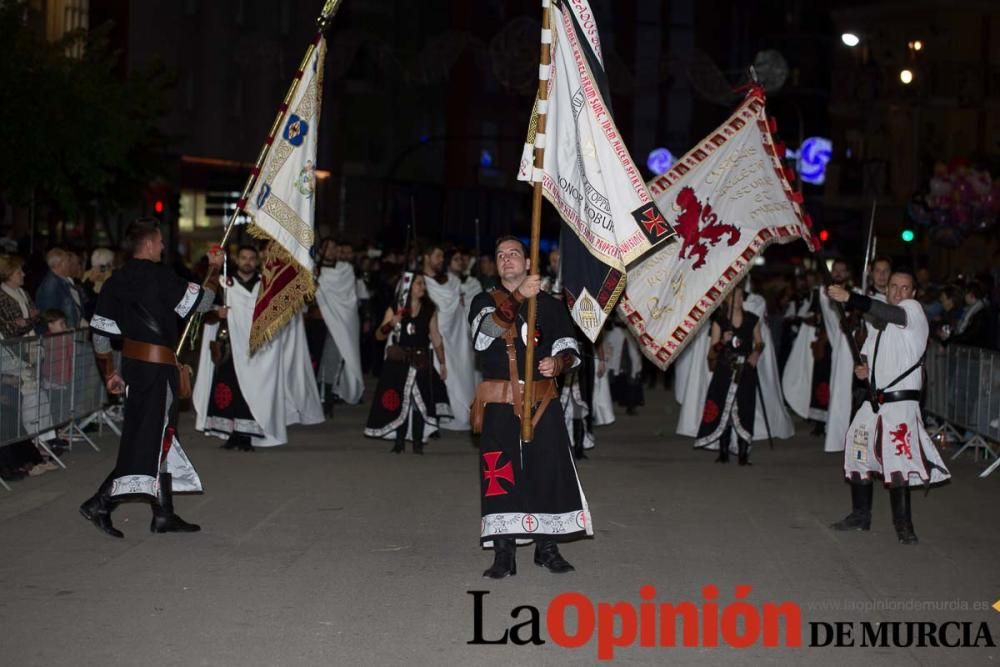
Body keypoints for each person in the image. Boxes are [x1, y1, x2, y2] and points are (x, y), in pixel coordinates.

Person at [81, 218, 222, 538]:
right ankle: (99, 503)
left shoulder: (115, 281)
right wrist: (214, 269)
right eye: (159, 242)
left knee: (160, 435)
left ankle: (163, 514)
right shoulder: (160, 276)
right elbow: (203, 303)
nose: (161, 247)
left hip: (133, 367)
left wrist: (109, 374)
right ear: (148, 244)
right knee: (150, 438)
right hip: (157, 371)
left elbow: (100, 334)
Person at [469, 236, 592, 578]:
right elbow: (484, 335)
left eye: (514, 254)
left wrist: (559, 363)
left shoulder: (550, 306)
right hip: (500, 404)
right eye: (500, 255)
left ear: (527, 263)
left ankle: (546, 548)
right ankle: (503, 553)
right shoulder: (483, 301)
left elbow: (571, 349)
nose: (507, 259)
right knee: (501, 475)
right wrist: (520, 295)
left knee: (546, 471)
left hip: (542, 403)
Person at [828, 271, 950, 544]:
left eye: (904, 288)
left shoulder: (913, 312)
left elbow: (891, 313)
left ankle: (904, 526)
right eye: (893, 287)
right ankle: (861, 516)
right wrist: (864, 369)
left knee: (898, 461)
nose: (898, 292)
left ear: (913, 293)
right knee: (857, 449)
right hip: (875, 402)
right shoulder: (879, 325)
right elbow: (870, 356)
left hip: (900, 404)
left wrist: (850, 298)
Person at [192, 244, 323, 451]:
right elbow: (203, 313)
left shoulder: (266, 286)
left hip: (258, 349)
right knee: (231, 389)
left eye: (252, 258)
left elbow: (282, 314)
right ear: (237, 259)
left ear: (257, 261)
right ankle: (232, 433)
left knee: (252, 390)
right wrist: (218, 314)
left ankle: (247, 435)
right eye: (243, 257)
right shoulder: (225, 283)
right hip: (229, 347)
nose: (247, 262)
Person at [365, 272, 450, 453]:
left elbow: (435, 337)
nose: (422, 287)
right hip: (399, 362)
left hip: (420, 360)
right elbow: (379, 336)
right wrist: (392, 323)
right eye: (419, 284)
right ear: (408, 286)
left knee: (420, 404)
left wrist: (442, 362)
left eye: (423, 284)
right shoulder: (396, 308)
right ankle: (399, 442)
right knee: (399, 400)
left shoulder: (429, 309)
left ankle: (418, 442)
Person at [693, 286, 763, 465]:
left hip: (745, 371)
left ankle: (743, 453)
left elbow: (759, 343)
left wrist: (756, 354)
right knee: (723, 406)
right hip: (724, 370)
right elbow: (712, 353)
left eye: (740, 296)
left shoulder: (752, 320)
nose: (737, 299)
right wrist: (722, 341)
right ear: (726, 300)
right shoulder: (720, 322)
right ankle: (723, 451)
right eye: (733, 297)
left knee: (745, 408)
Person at [422, 243, 476, 431]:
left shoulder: (451, 282)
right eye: (437, 256)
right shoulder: (419, 282)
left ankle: (451, 412)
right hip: (428, 338)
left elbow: (457, 311)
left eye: (441, 257)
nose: (440, 260)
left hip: (453, 338)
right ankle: (431, 417)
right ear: (426, 257)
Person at [315, 239, 365, 410]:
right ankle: (319, 393)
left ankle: (330, 392)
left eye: (335, 248)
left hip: (342, 319)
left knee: (335, 355)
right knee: (319, 356)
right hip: (319, 319)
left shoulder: (346, 269)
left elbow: (349, 297)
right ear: (321, 251)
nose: (331, 251)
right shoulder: (313, 269)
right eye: (327, 248)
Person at [781, 271, 831, 435]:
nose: (808, 283)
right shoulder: (810, 295)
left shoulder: (823, 293)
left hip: (830, 343)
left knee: (825, 380)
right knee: (818, 380)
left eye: (811, 279)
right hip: (819, 342)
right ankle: (818, 420)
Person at [35, 248, 83, 329]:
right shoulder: (51, 286)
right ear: (61, 264)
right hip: (60, 336)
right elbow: (50, 318)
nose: (70, 265)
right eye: (68, 262)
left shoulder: (63, 282)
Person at [0, 256, 40, 338]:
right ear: (9, 276)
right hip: (12, 346)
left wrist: (26, 321)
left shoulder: (23, 292)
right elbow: (12, 329)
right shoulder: (2, 297)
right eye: (19, 272)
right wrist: (31, 317)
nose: (23, 274)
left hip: (28, 340)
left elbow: (37, 317)